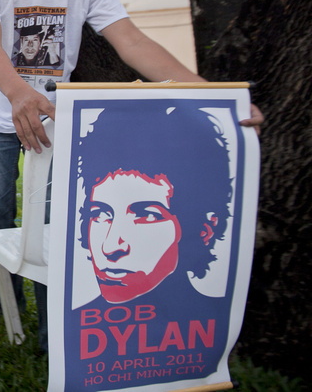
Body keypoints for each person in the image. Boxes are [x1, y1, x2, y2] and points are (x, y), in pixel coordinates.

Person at [0, 0, 264, 354]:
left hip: (57, 124)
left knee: (52, 224)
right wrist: (19, 94)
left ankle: (49, 327)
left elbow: (133, 44)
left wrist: (211, 94)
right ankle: (8, 309)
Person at [76, 102, 232, 305]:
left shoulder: (218, 325)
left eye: (147, 216)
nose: (111, 246)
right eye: (100, 215)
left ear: (205, 229)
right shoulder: (68, 328)